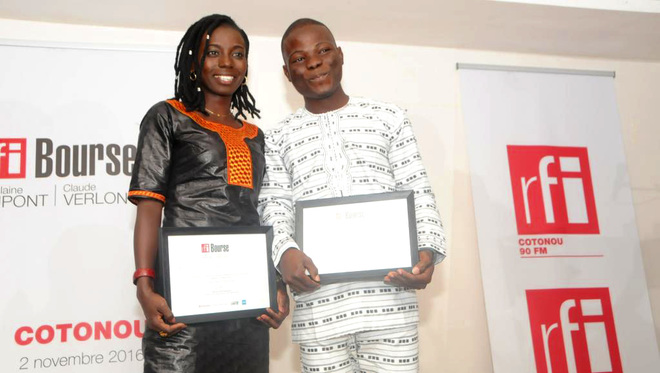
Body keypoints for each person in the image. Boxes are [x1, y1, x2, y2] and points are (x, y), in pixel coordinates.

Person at [258, 18, 447, 373]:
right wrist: (284, 253)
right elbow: (273, 205)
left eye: (323, 51)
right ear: (287, 73)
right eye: (299, 59)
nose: (313, 63)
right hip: (319, 313)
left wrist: (425, 254)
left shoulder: (388, 117)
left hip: (391, 307)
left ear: (340, 56)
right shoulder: (276, 137)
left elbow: (418, 189)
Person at [128, 14, 288, 373]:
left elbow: (260, 214)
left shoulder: (255, 135)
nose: (227, 63)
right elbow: (149, 205)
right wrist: (144, 284)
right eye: (213, 52)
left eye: (237, 53)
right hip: (182, 301)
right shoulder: (168, 117)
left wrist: (276, 284)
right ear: (194, 61)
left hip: (246, 308)